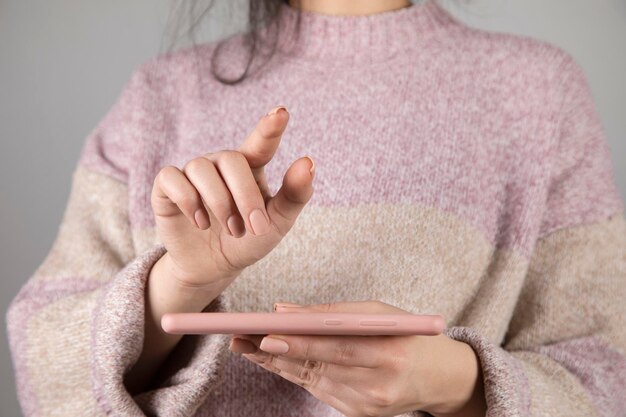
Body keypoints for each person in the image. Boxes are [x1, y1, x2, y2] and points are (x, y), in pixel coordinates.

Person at [7, 0, 626, 415]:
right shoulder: (158, 95)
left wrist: (455, 381)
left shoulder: (537, 89)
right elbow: (45, 361)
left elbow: (606, 374)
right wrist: (183, 281)